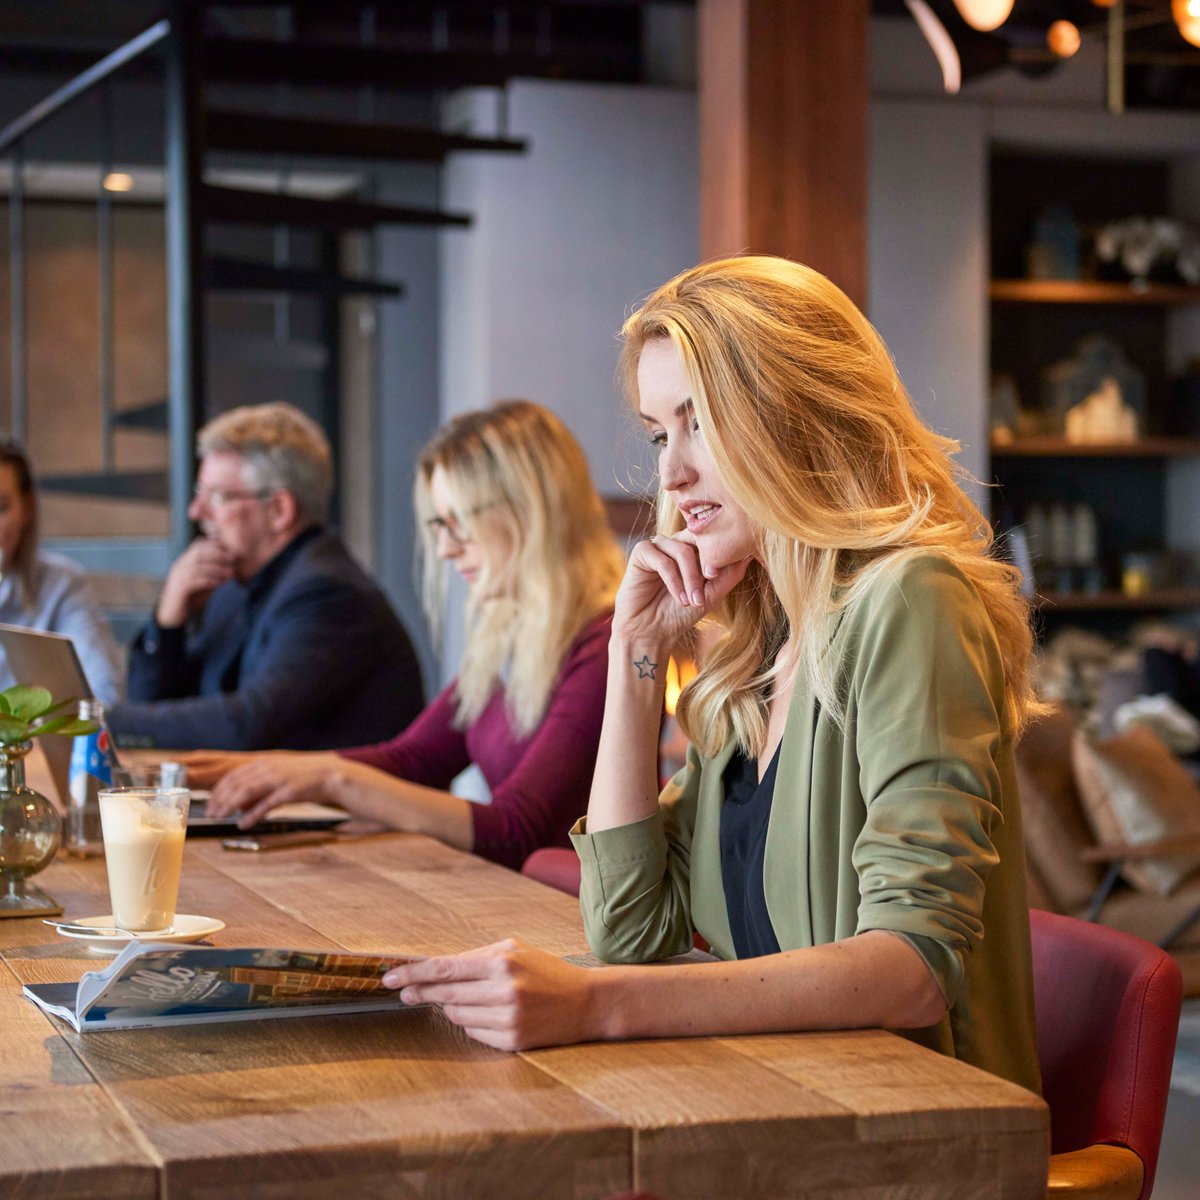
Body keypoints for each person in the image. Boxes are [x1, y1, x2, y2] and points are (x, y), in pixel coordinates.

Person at [379, 256, 1044, 1094]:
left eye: (702, 423)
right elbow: (629, 927)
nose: (671, 474)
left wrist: (596, 1007)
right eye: (660, 433)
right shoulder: (756, 643)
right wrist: (634, 655)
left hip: (911, 1135)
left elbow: (909, 967)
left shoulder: (911, 600)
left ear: (800, 417)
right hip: (771, 1102)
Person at [191, 400, 625, 870]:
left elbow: (519, 831)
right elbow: (416, 759)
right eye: (440, 525)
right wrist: (273, 770)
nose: (444, 548)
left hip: (571, 927)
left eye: (459, 521)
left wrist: (331, 779)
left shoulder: (604, 646)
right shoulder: (514, 631)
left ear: (532, 510)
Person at [106, 402, 424, 750]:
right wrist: (168, 623)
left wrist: (103, 720)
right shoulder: (233, 586)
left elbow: (248, 724)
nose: (196, 511)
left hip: (337, 805)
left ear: (279, 510)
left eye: (217, 496)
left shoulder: (329, 594)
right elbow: (161, 712)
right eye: (200, 494)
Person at [0, 439, 124, 704]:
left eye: (1, 507)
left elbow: (104, 696)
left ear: (27, 508)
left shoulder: (61, 585)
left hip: (28, 744)